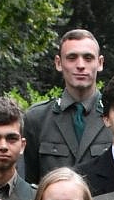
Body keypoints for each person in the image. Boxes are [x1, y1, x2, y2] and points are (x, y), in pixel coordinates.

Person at [25, 30, 108, 182]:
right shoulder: (37, 119)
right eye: (72, 58)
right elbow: (29, 182)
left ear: (100, 63)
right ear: (58, 63)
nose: (80, 65)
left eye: (88, 58)